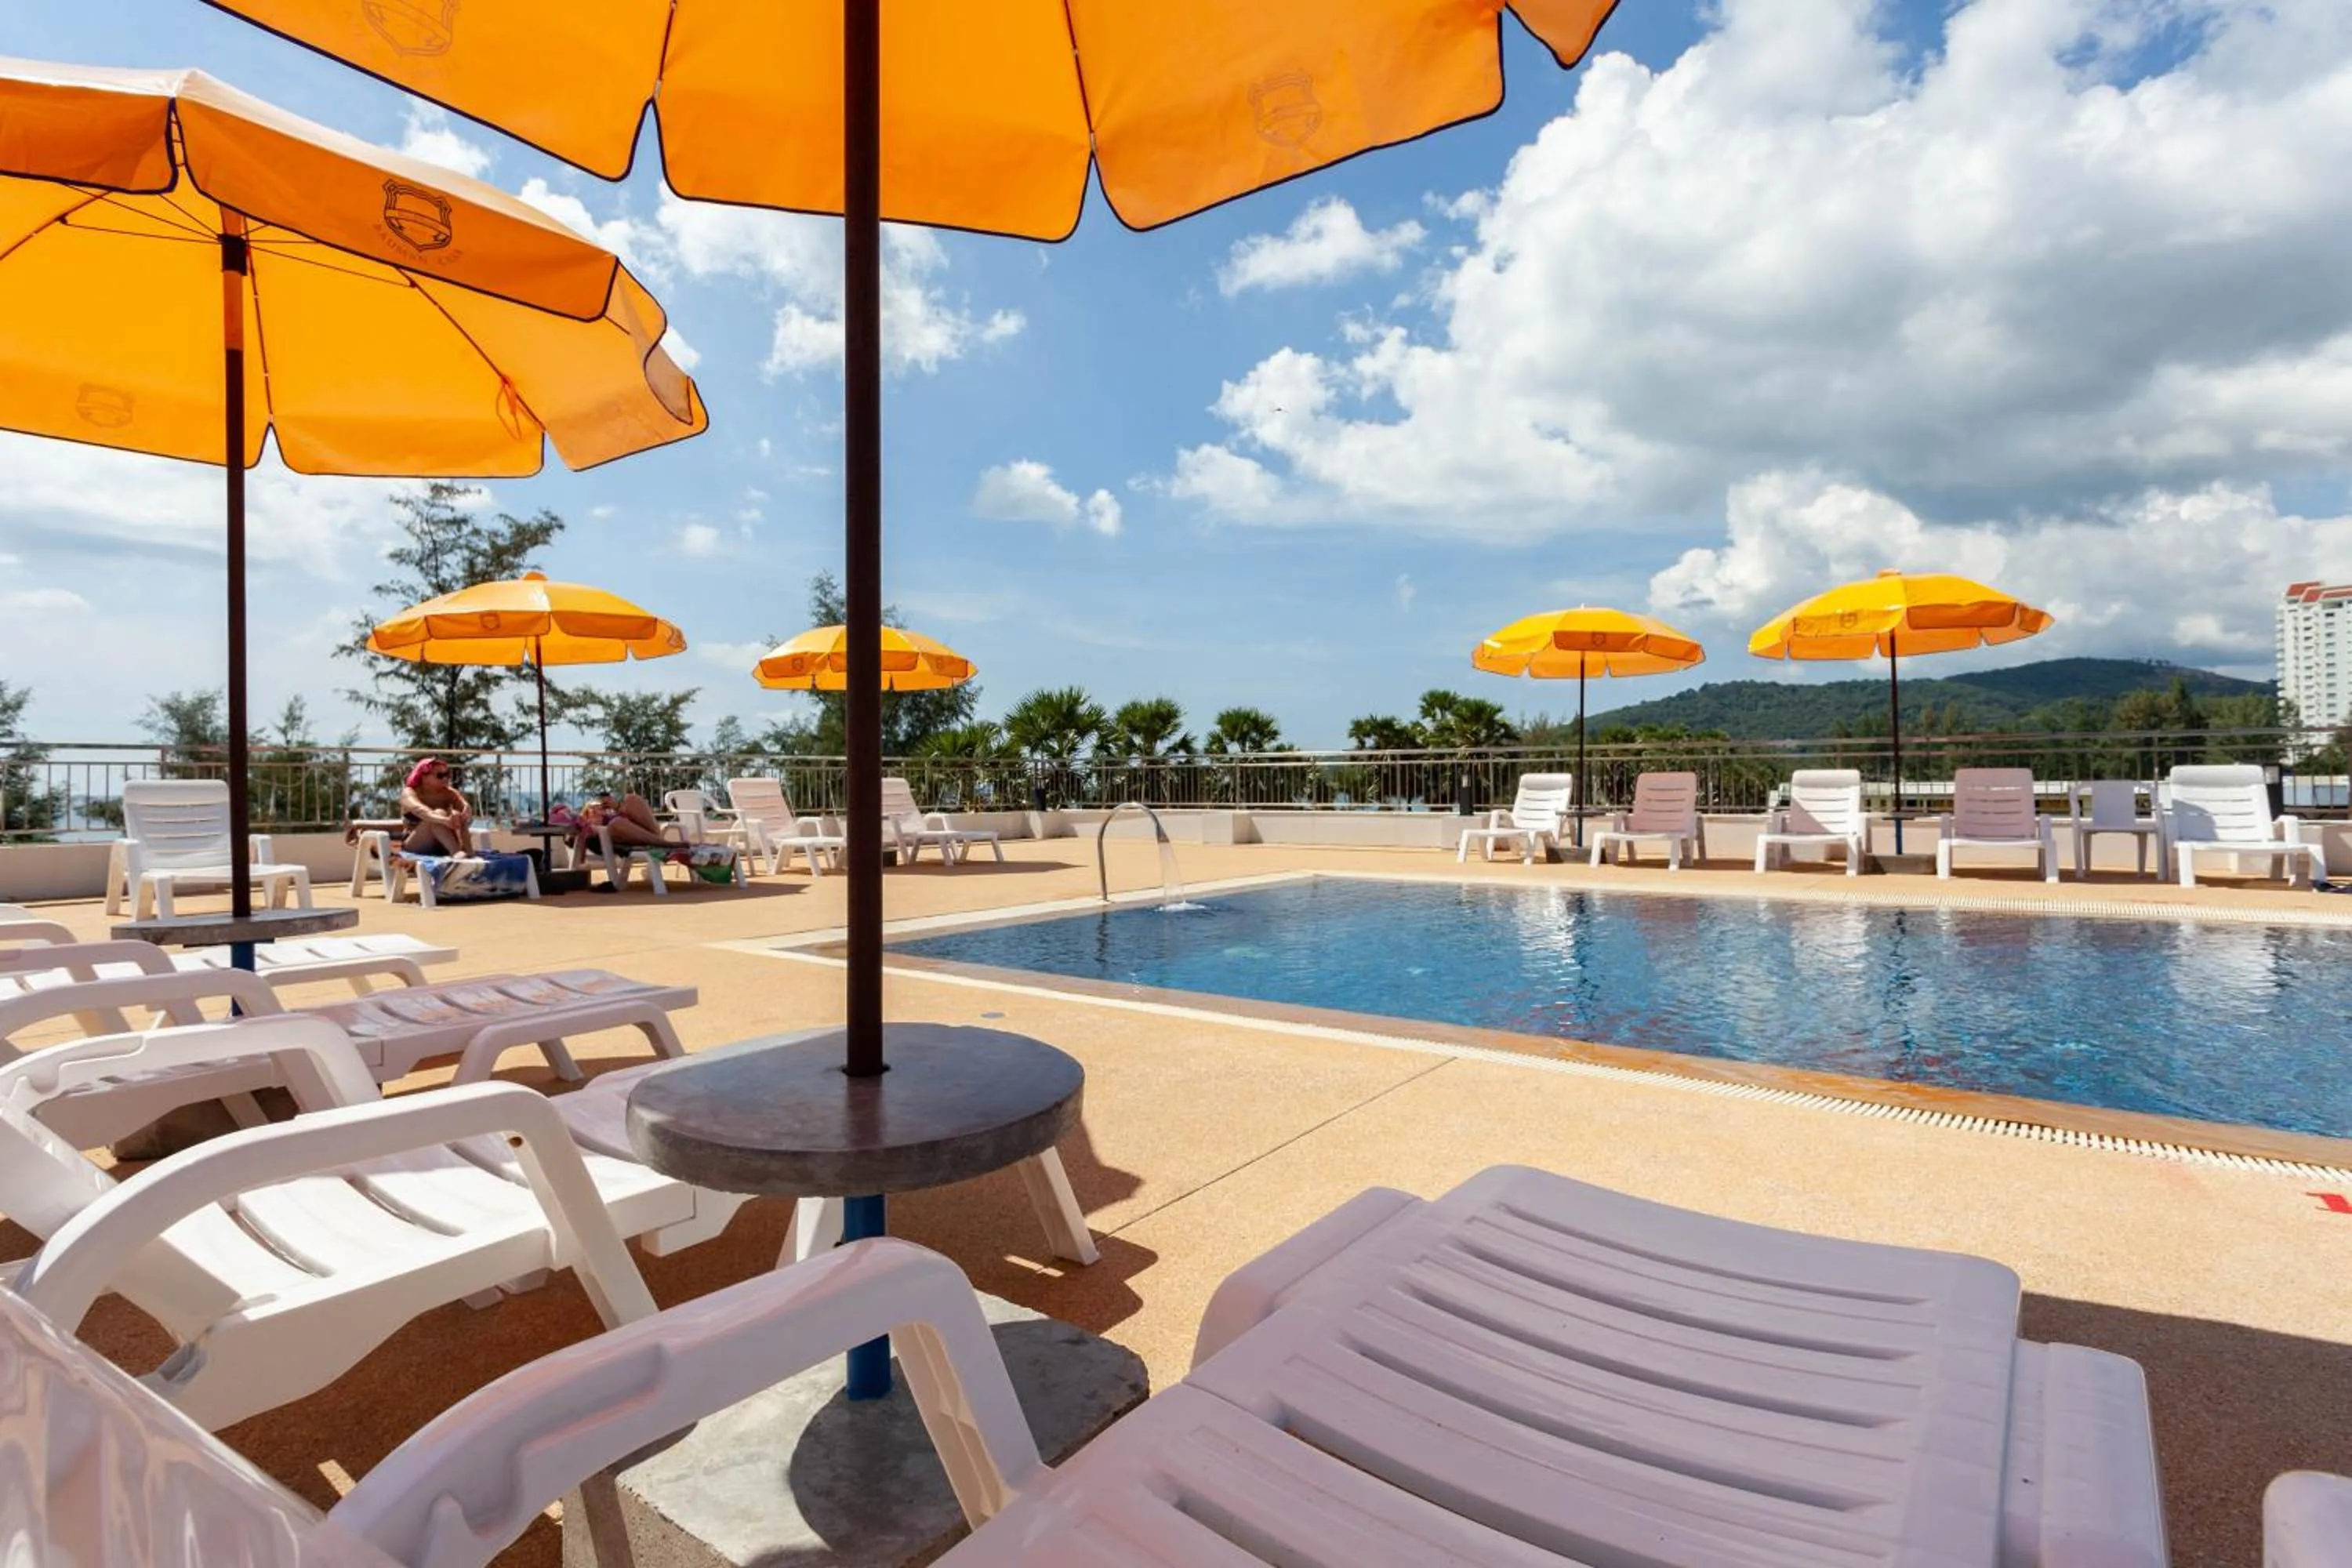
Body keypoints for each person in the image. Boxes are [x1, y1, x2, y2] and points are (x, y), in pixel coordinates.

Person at [399, 757, 477, 857]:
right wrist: (444, 820)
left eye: (447, 775)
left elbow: (464, 807)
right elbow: (420, 810)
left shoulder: (449, 793)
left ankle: (469, 851)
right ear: (424, 777)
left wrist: (466, 811)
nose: (445, 779)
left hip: (441, 845)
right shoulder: (409, 792)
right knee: (438, 814)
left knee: (457, 814)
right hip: (415, 844)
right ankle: (456, 852)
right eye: (440, 776)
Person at [573, 789, 680, 854]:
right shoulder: (589, 826)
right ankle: (665, 844)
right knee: (616, 823)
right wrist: (594, 824)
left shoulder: (612, 815)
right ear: (585, 813)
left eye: (600, 806)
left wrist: (617, 807)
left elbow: (635, 815)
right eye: (592, 808)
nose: (597, 810)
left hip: (642, 831)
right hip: (620, 835)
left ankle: (659, 839)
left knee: (631, 798)